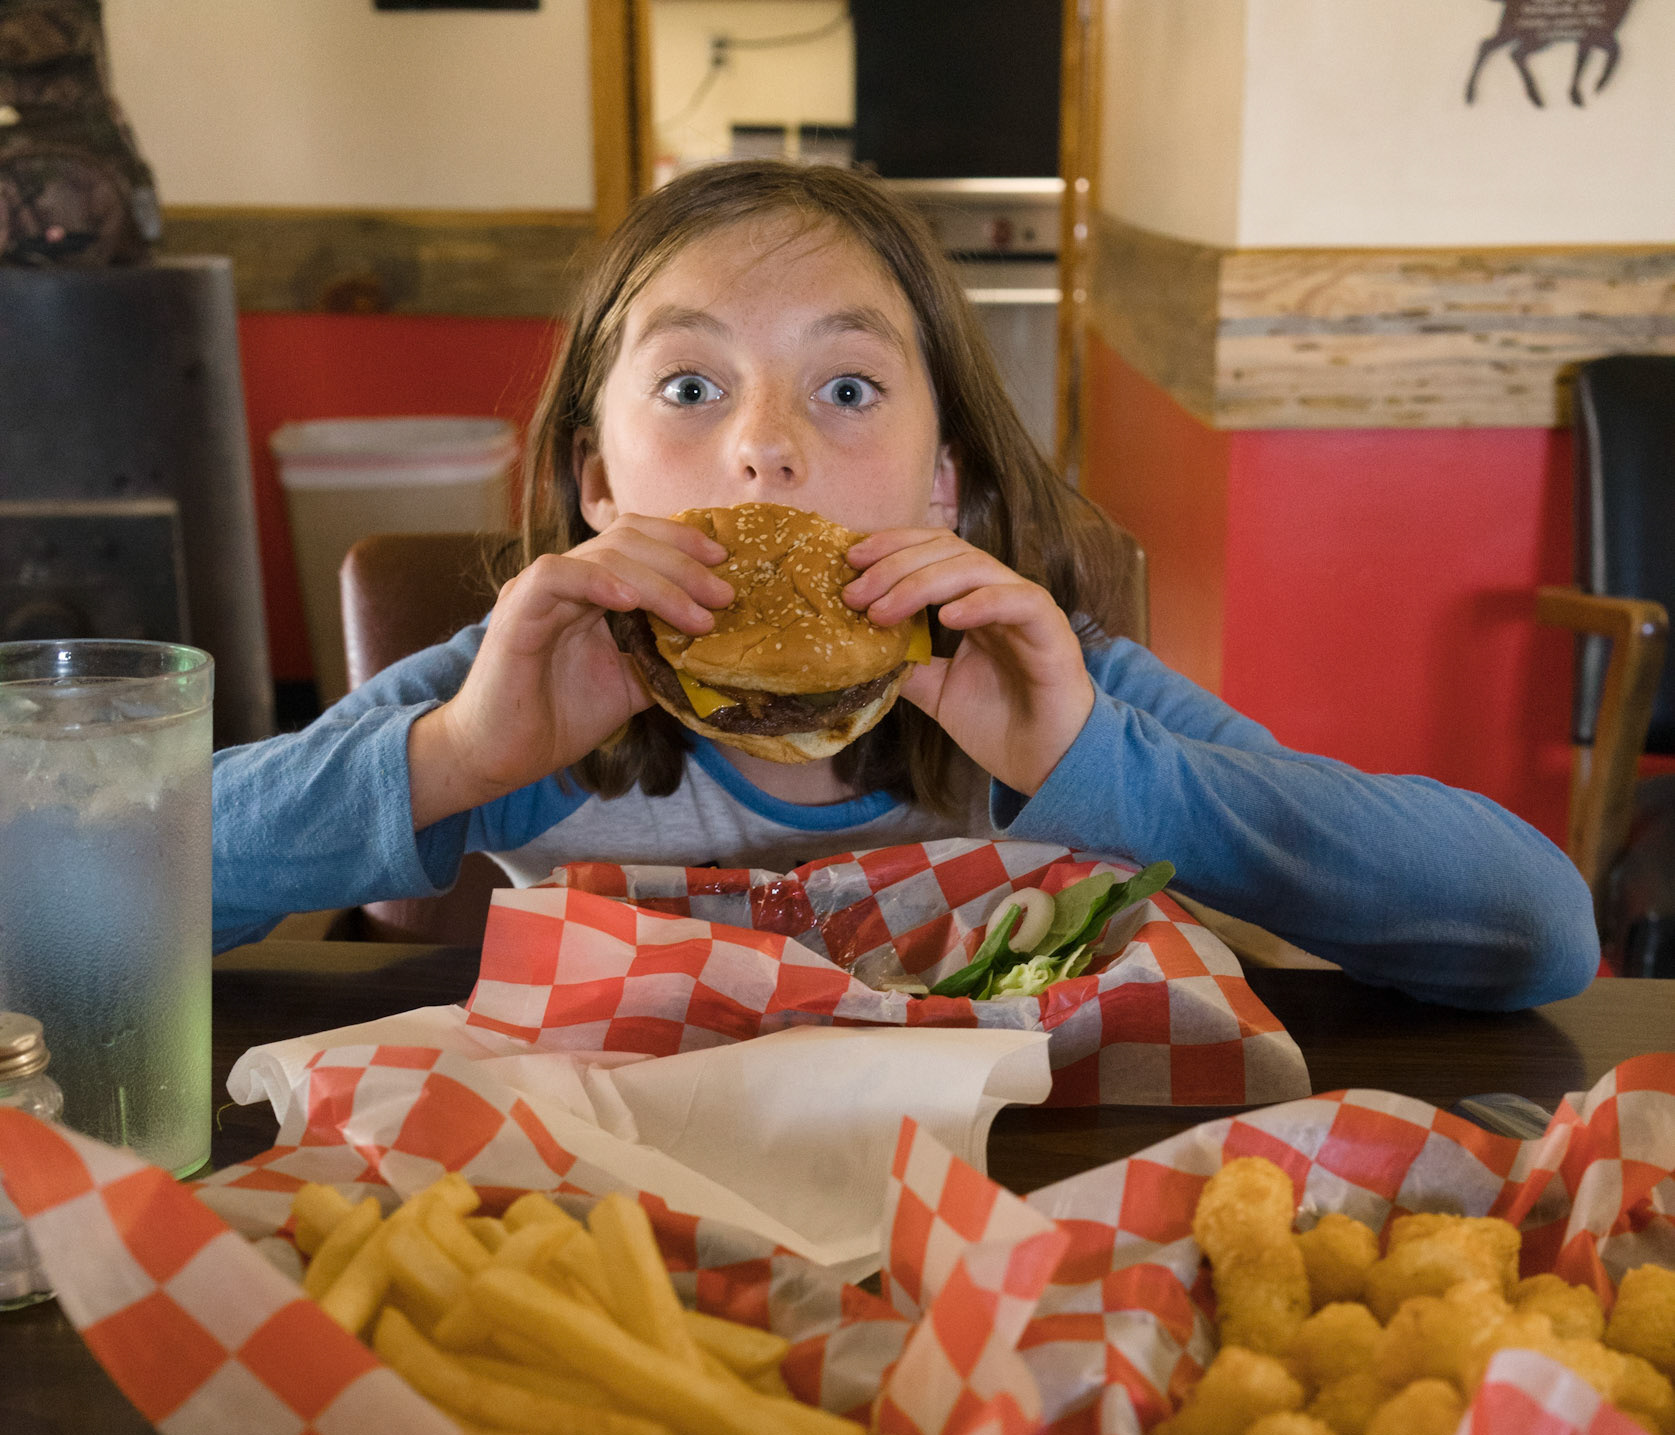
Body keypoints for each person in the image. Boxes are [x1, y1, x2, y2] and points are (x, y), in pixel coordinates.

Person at [212, 159, 1600, 1009]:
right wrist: (448, 761)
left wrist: (1108, 771)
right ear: (597, 487)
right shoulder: (529, 683)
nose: (765, 446)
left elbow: (1532, 931)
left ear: (945, 485)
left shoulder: (1054, 689)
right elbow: (67, 906)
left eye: (850, 387)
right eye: (691, 386)